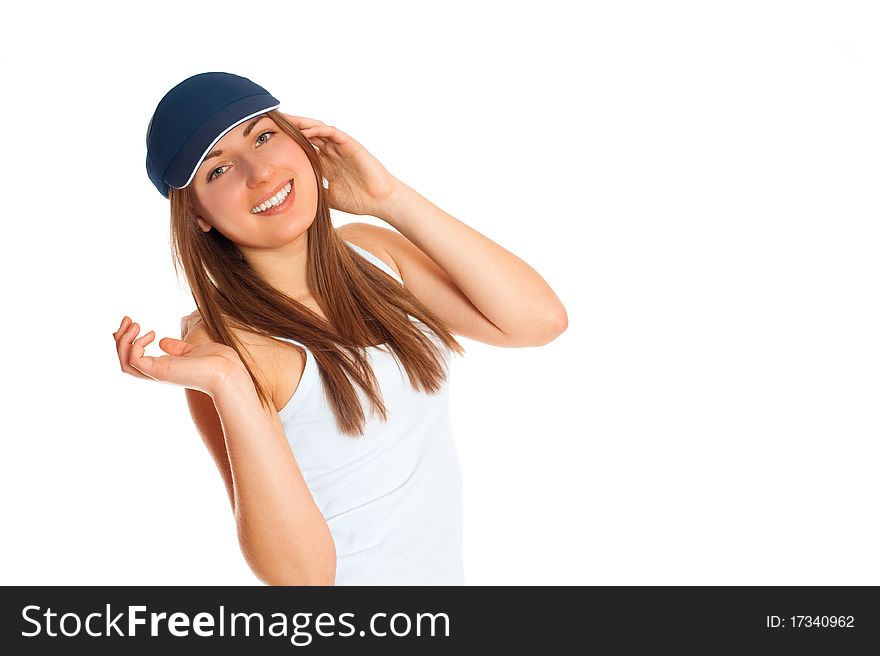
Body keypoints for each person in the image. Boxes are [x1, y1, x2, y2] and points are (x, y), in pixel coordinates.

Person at [113, 71, 568, 586]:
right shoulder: (226, 351)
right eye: (218, 171)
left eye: (263, 135)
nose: (259, 172)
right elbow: (302, 580)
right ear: (196, 215)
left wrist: (388, 197)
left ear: (301, 140)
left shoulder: (373, 255)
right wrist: (228, 383)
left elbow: (539, 321)